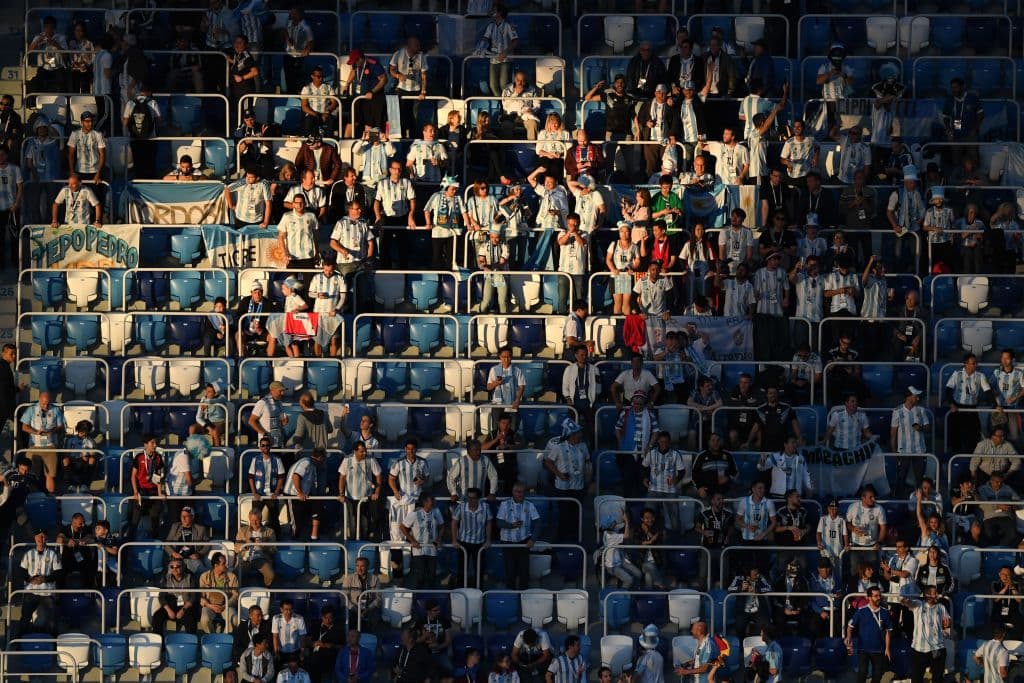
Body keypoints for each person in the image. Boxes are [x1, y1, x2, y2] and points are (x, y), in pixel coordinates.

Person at [900, 584, 951, 683]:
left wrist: (947, 626)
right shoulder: (919, 604)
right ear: (927, 594)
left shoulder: (941, 607)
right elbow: (908, 603)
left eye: (936, 593)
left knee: (938, 679)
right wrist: (904, 600)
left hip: (937, 648)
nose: (937, 595)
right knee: (916, 679)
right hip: (919, 650)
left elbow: (947, 624)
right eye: (934, 593)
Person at [496, 482, 539, 591]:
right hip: (507, 543)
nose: (520, 494)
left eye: (522, 492)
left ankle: (524, 598)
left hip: (524, 542)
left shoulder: (530, 505)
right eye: (518, 492)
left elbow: (539, 523)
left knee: (524, 572)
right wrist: (511, 525)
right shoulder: (504, 505)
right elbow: (499, 522)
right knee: (510, 572)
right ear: (513, 492)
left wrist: (533, 539)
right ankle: (511, 597)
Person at [337, 441, 382, 541]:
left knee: (366, 522)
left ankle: (366, 542)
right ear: (355, 451)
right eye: (361, 451)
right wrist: (341, 494)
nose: (364, 453)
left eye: (365, 450)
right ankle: (354, 543)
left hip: (367, 497)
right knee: (353, 523)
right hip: (351, 497)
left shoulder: (371, 460)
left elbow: (378, 476)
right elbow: (342, 477)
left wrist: (377, 492)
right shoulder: (347, 459)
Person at [19, 529, 60, 634]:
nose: (40, 539)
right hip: (31, 592)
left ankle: (54, 644)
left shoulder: (53, 554)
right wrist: (30, 579)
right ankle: (20, 644)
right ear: (35, 538)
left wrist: (44, 579)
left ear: (46, 538)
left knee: (52, 621)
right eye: (38, 536)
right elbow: (22, 571)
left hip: (47, 593)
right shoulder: (28, 554)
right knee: (24, 620)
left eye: (43, 536)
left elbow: (58, 573)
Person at [400, 492, 444, 589]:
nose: (434, 501)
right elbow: (402, 527)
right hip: (418, 549)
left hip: (432, 548)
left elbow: (441, 526)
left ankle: (431, 600)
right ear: (425, 502)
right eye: (431, 499)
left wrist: (439, 538)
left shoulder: (436, 511)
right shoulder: (414, 514)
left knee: (432, 576)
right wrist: (412, 540)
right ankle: (419, 599)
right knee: (421, 576)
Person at [451, 486, 492, 588]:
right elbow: (454, 523)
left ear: (478, 498)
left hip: (479, 543)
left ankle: (479, 590)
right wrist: (454, 540)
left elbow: (489, 523)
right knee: (462, 569)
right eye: (469, 497)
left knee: (479, 569)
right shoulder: (461, 507)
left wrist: (488, 540)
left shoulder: (485, 507)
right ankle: (460, 591)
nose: (470, 500)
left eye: (473, 498)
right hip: (463, 542)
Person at [285, 447, 326, 540]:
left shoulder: (312, 465)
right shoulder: (306, 463)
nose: (323, 462)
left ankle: (312, 537)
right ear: (320, 457)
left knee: (316, 509)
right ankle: (295, 540)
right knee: (295, 521)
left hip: (302, 496)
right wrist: (300, 493)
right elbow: (296, 476)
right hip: (293, 495)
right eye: (323, 459)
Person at [122, 83, 162, 179]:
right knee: (150, 163)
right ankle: (150, 183)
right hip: (150, 138)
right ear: (149, 92)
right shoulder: (153, 102)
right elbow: (159, 121)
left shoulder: (130, 103)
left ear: (139, 92)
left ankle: (139, 181)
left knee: (138, 164)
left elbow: (125, 123)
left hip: (135, 138)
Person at [152, 558, 199, 635]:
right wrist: (168, 610)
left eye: (178, 566)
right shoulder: (166, 578)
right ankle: (160, 642)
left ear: (183, 567)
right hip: (171, 605)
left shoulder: (190, 578)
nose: (175, 569)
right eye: (172, 567)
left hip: (185, 606)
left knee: (190, 619)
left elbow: (193, 597)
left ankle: (190, 642)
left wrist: (183, 610)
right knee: (157, 616)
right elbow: (161, 597)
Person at [846, 485, 887, 572]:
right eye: (870, 497)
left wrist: (879, 542)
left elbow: (883, 528)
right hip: (855, 545)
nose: (874, 499)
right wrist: (853, 529)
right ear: (863, 498)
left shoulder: (879, 509)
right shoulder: (853, 507)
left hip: (871, 546)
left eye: (874, 497)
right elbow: (847, 523)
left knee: (872, 571)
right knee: (855, 570)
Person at [481, 5, 519, 96]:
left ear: (500, 13)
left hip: (505, 59)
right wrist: (481, 46)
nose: (493, 12)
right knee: (493, 85)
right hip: (493, 58)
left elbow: (515, 41)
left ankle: (506, 103)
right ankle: (501, 103)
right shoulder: (491, 26)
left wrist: (505, 52)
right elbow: (485, 38)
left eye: (495, 10)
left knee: (503, 85)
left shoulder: (508, 25)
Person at [727, 566, 772, 638]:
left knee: (765, 625)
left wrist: (756, 590)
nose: (756, 572)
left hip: (758, 610)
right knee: (740, 626)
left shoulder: (761, 578)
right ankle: (741, 646)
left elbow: (769, 588)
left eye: (757, 570)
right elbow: (729, 589)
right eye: (754, 570)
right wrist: (741, 588)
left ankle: (759, 645)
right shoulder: (739, 578)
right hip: (742, 611)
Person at [199, 551, 238, 633]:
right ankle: (212, 636)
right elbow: (201, 597)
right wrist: (211, 606)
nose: (226, 565)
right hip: (210, 605)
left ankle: (225, 637)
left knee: (235, 619)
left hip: (226, 605)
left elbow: (235, 596)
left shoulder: (232, 576)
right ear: (216, 565)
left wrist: (224, 606)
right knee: (204, 620)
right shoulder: (204, 577)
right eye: (223, 563)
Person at [166, 505, 211, 574]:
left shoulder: (200, 529)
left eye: (186, 516)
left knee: (203, 574)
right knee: (170, 574)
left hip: (193, 559)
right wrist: (174, 553)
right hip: (177, 559)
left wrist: (199, 554)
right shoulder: (175, 527)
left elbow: (207, 545)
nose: (183, 518)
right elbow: (166, 544)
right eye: (182, 516)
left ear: (192, 517)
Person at [341, 557, 380, 631]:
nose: (359, 568)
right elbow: (344, 598)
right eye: (357, 566)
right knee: (349, 616)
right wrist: (355, 609)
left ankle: (369, 634)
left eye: (362, 566)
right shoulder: (349, 579)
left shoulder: (375, 579)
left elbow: (378, 598)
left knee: (374, 615)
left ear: (368, 567)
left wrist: (368, 609)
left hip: (369, 608)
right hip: (353, 608)